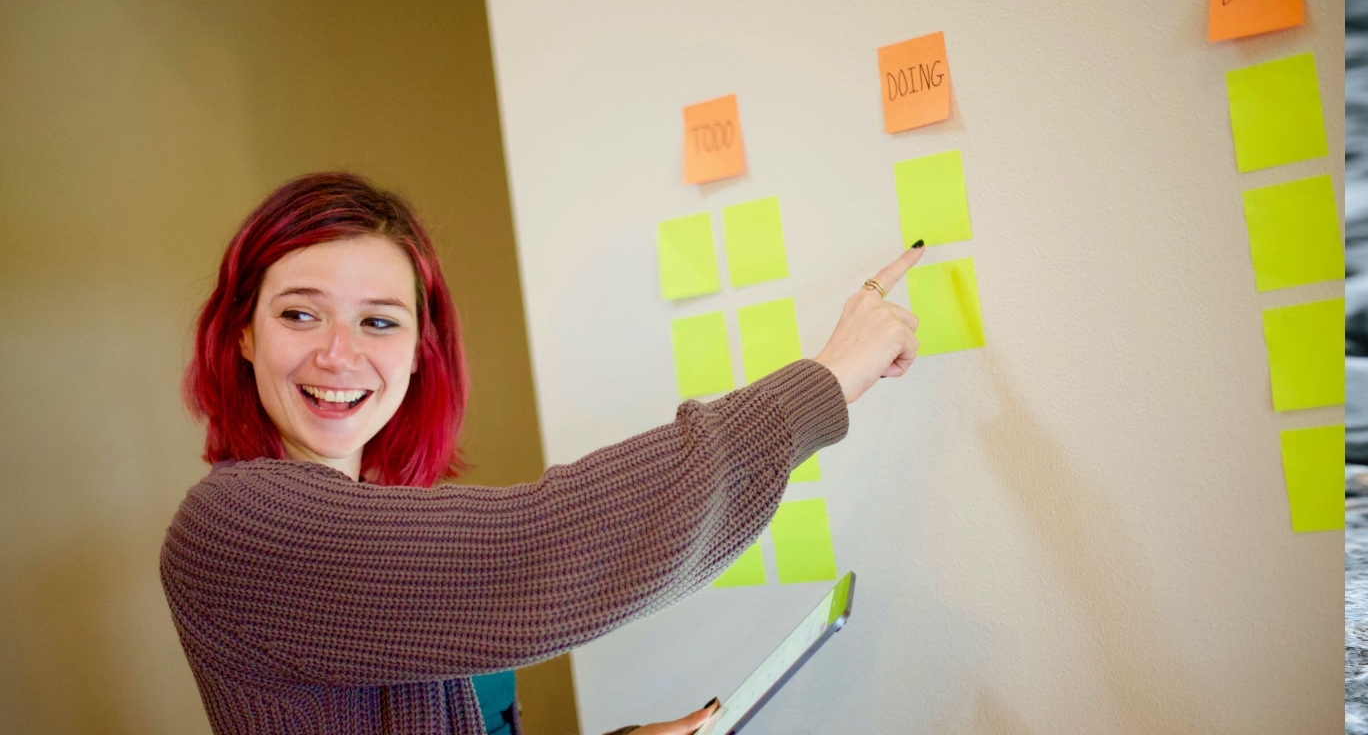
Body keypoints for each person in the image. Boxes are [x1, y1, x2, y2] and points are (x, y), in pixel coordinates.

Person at [161, 172, 923, 735]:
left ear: (421, 352)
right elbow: (537, 550)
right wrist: (826, 381)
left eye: (379, 322)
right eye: (301, 314)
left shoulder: (382, 511)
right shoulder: (234, 527)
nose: (339, 354)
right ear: (244, 333)